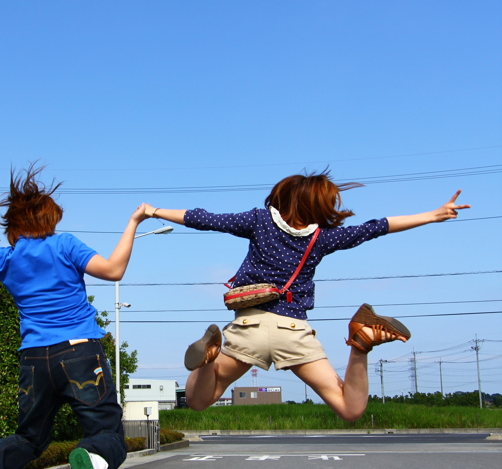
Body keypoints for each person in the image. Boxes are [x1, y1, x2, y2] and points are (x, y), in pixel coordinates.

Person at [142, 174, 469, 422]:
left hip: (248, 329)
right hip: (294, 332)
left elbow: (203, 218)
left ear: (282, 197)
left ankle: (209, 358)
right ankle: (361, 341)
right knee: (350, 408)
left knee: (200, 400)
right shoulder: (323, 237)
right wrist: (433, 215)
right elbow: (376, 227)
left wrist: (154, 210)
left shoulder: (258, 220)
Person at [0, 163, 148, 469]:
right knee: (107, 433)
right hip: (79, 351)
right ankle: (93, 457)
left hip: (33, 361)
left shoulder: (7, 259)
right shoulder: (64, 245)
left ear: (15, 225)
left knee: (29, 438)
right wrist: (133, 223)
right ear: (49, 219)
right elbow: (113, 269)